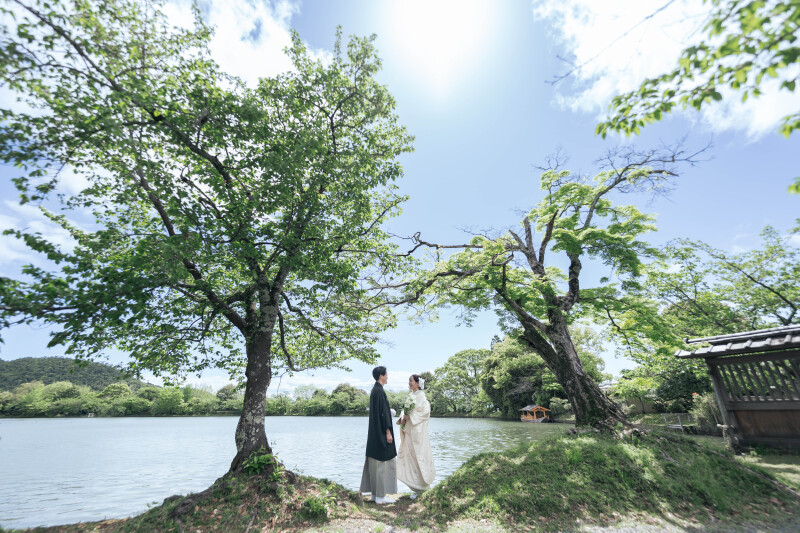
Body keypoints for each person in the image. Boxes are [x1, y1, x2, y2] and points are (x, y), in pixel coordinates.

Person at [360, 366, 397, 504]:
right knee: (382, 463)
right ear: (381, 376)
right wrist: (388, 432)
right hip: (381, 432)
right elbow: (383, 414)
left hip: (374, 433)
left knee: (375, 462)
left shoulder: (374, 390)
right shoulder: (379, 391)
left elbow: (382, 412)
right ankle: (381, 496)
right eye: (387, 374)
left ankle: (375, 495)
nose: (388, 377)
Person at [396, 374, 435, 499]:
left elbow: (425, 412)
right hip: (410, 432)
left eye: (411, 381)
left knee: (419, 457)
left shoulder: (422, 396)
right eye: (409, 381)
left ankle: (422, 488)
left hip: (417, 433)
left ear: (418, 383)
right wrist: (403, 416)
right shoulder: (411, 396)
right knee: (409, 457)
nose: (409, 383)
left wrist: (410, 417)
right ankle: (415, 488)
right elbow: (405, 411)